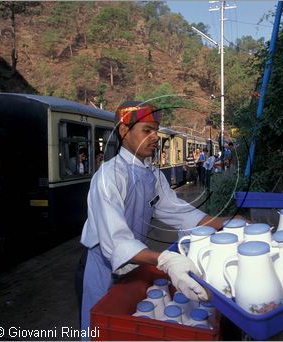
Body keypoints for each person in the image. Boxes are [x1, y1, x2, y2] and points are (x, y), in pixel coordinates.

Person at [78, 100, 247, 338]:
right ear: (124, 131)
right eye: (147, 130)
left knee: (128, 324)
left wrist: (225, 222)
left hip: (135, 258)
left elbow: (178, 211)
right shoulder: (108, 176)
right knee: (100, 326)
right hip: (102, 265)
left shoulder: (152, 174)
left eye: (156, 130)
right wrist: (165, 260)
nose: (155, 137)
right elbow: (116, 241)